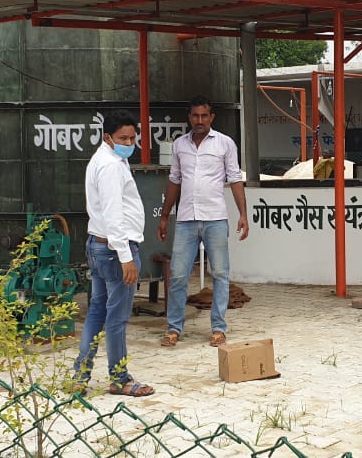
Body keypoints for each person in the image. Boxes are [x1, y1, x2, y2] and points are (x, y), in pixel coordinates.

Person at [157, 95, 249, 348]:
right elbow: (175, 180)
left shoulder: (225, 144)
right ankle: (174, 328)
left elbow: (235, 179)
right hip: (186, 219)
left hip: (215, 218)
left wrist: (243, 214)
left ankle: (218, 328)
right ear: (190, 117)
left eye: (204, 116)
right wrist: (165, 216)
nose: (200, 120)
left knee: (219, 273)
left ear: (211, 117)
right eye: (195, 116)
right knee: (178, 275)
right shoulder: (179, 145)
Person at [74, 109, 154, 397]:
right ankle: (120, 379)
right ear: (107, 137)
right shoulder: (109, 165)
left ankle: (80, 376)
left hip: (100, 246)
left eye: (133, 138)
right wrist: (125, 256)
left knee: (97, 311)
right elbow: (113, 214)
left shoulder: (107, 159)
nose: (129, 143)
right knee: (117, 318)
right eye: (123, 138)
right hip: (114, 248)